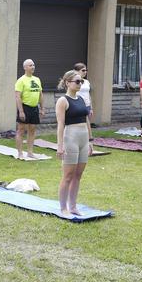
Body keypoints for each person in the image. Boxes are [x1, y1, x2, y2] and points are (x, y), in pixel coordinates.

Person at [55, 70, 94, 217]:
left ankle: (73, 206)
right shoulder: (63, 101)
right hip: (70, 138)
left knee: (78, 174)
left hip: (83, 138)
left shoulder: (81, 99)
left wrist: (90, 141)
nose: (80, 84)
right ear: (67, 83)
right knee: (68, 175)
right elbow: (60, 125)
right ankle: (63, 208)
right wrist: (60, 146)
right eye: (77, 81)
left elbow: (87, 120)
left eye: (81, 81)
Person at [15, 59, 45, 159]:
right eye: (30, 65)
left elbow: (40, 94)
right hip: (25, 107)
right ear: (25, 68)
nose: (33, 67)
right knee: (21, 130)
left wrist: (42, 108)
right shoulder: (21, 80)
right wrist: (21, 111)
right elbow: (18, 97)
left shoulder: (37, 79)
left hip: (34, 107)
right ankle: (20, 153)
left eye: (33, 65)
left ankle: (30, 152)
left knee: (32, 130)